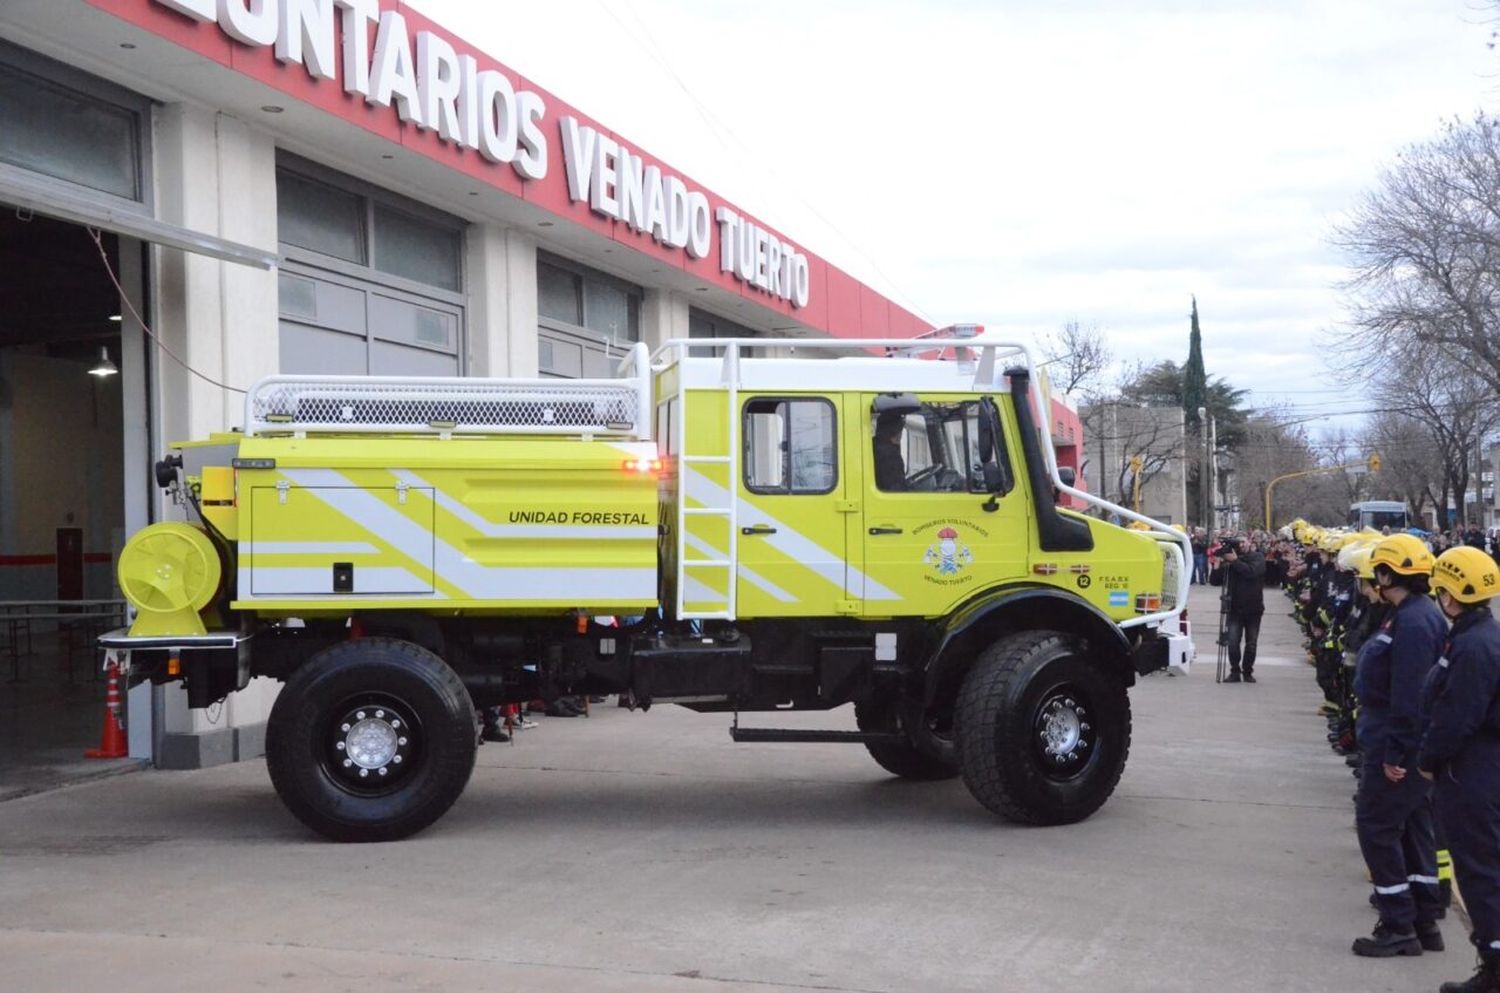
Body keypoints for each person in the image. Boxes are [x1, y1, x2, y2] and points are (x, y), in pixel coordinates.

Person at [1351, 533, 1448, 957]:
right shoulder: (1412, 614)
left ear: (1390, 573)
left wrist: (1395, 755)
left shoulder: (1412, 621)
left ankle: (1397, 925)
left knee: (1377, 828)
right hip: (1400, 740)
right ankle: (1422, 918)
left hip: (1397, 745)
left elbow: (1410, 695)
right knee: (1410, 829)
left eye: (1377, 573)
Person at [1420, 546, 1500, 992]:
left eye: (1441, 592)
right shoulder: (1479, 635)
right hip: (1478, 766)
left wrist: (1429, 761)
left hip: (1471, 772)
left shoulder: (1473, 645)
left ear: (1453, 595)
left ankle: (1494, 967)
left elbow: (1457, 715)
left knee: (1481, 873)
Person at [1209, 536, 1265, 683]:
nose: (1241, 545)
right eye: (1238, 543)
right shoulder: (1230, 561)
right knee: (1233, 641)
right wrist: (1217, 563)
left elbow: (1251, 572)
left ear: (1250, 543)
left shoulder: (1257, 557)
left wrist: (1235, 561)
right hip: (1233, 608)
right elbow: (1214, 581)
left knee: (1251, 643)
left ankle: (1247, 671)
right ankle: (1235, 671)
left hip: (1254, 609)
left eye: (1243, 542)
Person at [873, 412, 907, 491]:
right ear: (896, 431)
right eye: (900, 429)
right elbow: (897, 489)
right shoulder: (890, 456)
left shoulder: (872, 446)